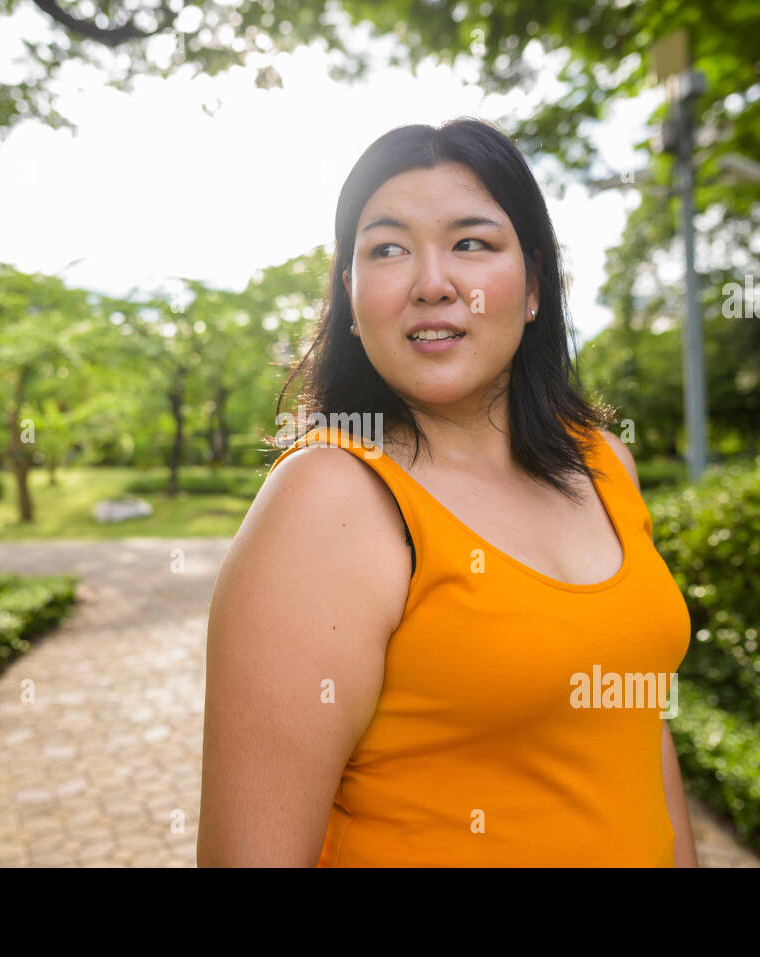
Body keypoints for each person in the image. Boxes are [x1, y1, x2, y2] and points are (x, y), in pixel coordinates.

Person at [196, 117, 698, 867]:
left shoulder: (603, 462)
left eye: (471, 242)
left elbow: (636, 727)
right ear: (351, 295)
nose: (432, 284)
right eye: (388, 249)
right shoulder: (331, 499)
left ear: (534, 285)